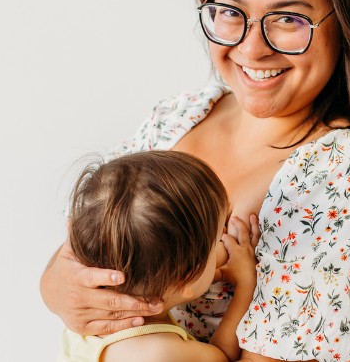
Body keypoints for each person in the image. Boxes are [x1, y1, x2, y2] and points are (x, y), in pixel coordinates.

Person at [41, 0, 350, 361]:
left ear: (345, 24)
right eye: (230, 11)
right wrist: (56, 288)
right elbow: (84, 252)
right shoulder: (177, 118)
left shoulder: (344, 174)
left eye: (287, 19)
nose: (252, 48)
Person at [58, 150, 259, 362]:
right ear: (184, 278)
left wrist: (211, 265)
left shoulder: (89, 312)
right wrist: (246, 284)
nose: (223, 242)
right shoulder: (163, 353)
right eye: (218, 239)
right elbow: (223, 356)